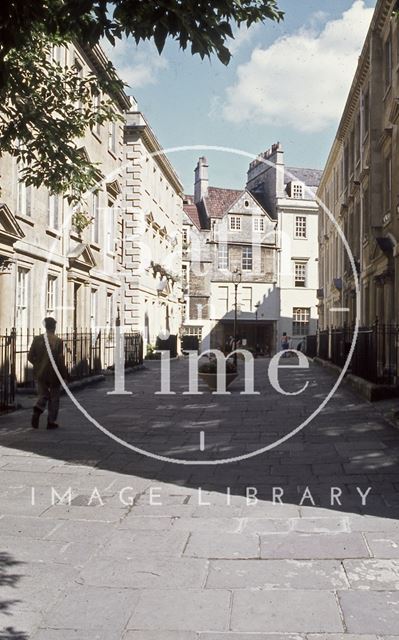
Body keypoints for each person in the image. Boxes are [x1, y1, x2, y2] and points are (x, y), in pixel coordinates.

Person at [28, 317, 68, 429]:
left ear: (45, 327)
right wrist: (64, 375)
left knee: (43, 395)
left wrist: (38, 365)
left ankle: (38, 408)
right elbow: (60, 360)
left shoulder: (37, 339)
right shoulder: (58, 341)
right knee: (54, 398)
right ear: (54, 327)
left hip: (40, 373)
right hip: (53, 374)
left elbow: (30, 356)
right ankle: (51, 421)